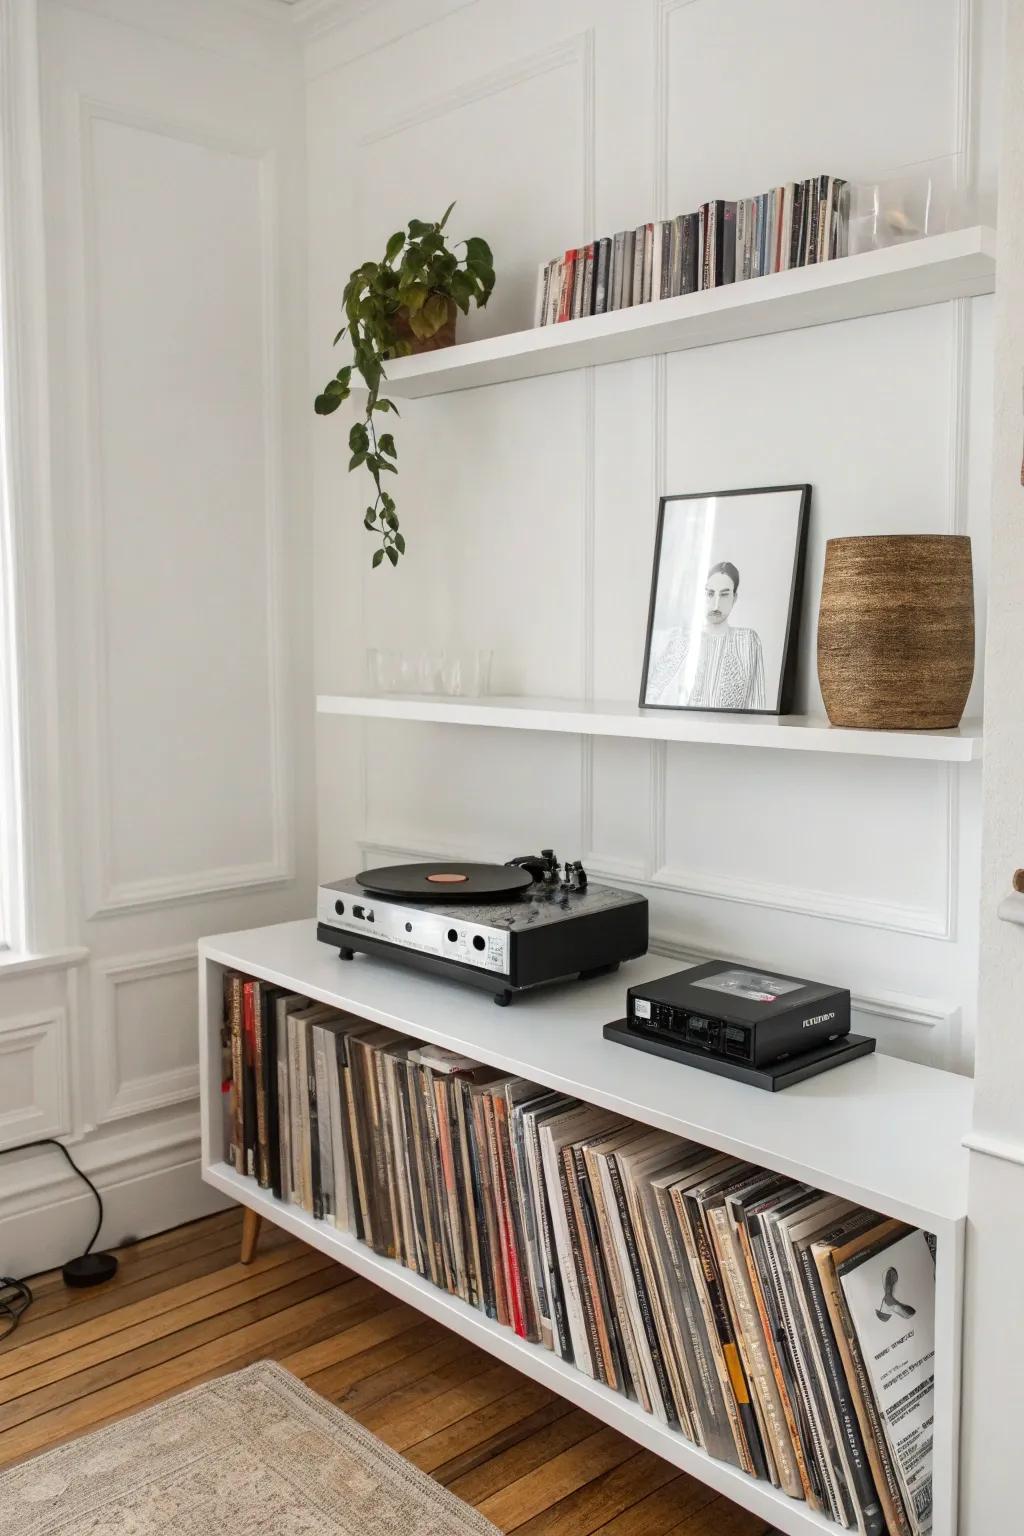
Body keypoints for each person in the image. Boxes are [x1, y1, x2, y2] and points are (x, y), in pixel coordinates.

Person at [646, 560, 766, 710]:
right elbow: (652, 693)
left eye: (724, 595)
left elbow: (758, 704)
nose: (716, 605)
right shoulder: (680, 639)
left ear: (734, 598)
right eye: (710, 594)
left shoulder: (748, 642)